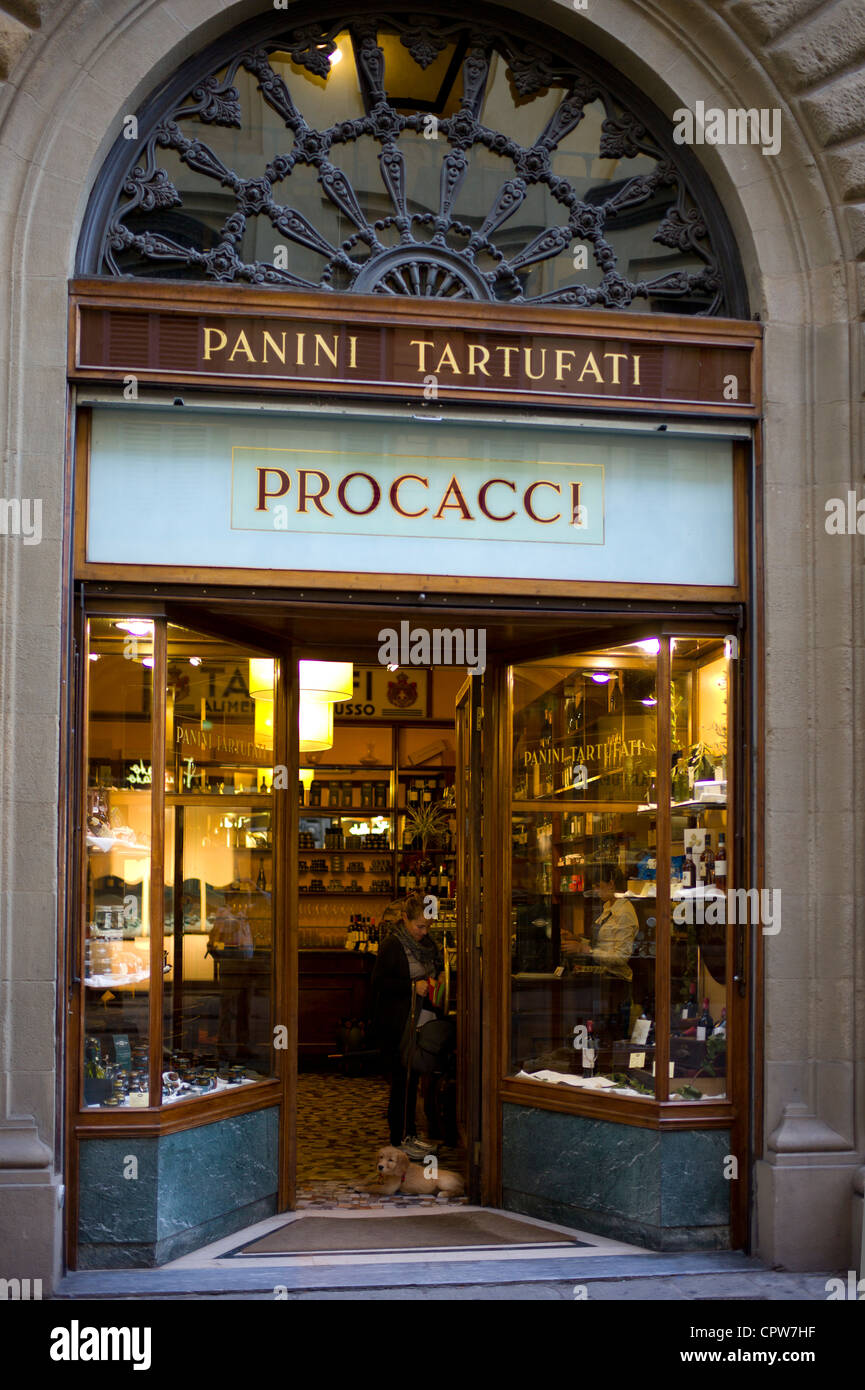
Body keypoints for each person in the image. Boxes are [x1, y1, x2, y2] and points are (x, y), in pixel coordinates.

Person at [370, 893, 444, 1157]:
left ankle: (410, 1133)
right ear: (405, 919)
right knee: (402, 1081)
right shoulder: (393, 944)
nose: (424, 932)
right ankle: (399, 1138)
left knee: (412, 1081)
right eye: (419, 926)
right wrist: (413, 986)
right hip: (397, 1023)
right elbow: (379, 983)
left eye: (428, 926)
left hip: (420, 1021)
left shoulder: (429, 945)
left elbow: (435, 968)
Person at [566, 871, 639, 980]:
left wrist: (585, 950)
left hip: (617, 981)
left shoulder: (624, 912)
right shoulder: (608, 906)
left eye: (598, 886)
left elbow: (620, 957)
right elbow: (604, 944)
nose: (595, 890)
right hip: (604, 977)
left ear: (611, 884)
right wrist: (579, 940)